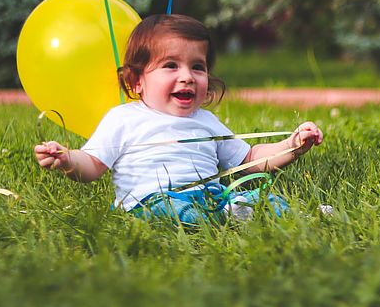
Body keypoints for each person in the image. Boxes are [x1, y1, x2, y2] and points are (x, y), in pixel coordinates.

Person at [34, 14, 324, 225]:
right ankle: (223, 220)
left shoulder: (206, 120)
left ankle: (305, 216)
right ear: (136, 81)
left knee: (262, 197)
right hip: (151, 201)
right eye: (170, 65)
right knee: (173, 211)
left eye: (197, 67)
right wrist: (68, 160)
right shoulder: (123, 119)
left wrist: (292, 145)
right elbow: (93, 165)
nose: (187, 76)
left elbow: (249, 157)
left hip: (212, 195)